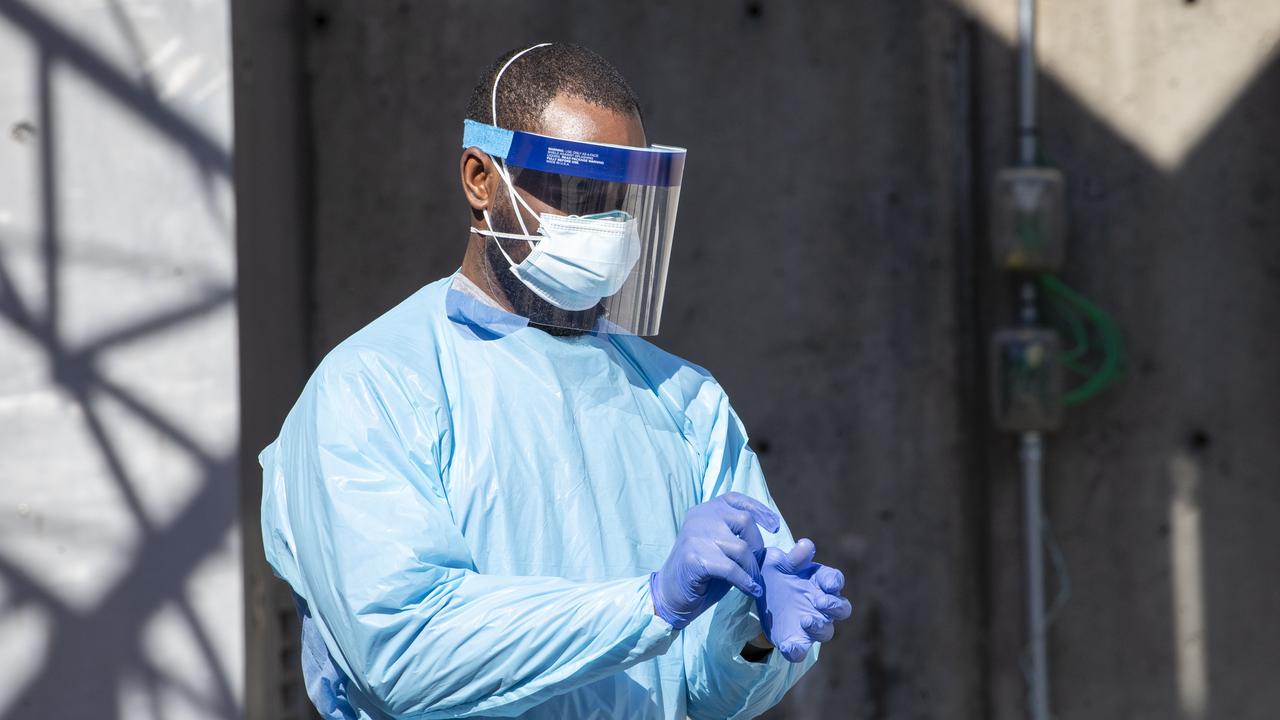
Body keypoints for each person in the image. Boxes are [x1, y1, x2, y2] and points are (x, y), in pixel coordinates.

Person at [259, 43, 851, 720]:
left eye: (619, 201)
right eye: (573, 192)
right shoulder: (375, 387)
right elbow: (405, 649)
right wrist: (651, 602)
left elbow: (705, 697)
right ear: (481, 178)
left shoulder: (685, 402)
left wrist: (751, 638)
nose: (603, 225)